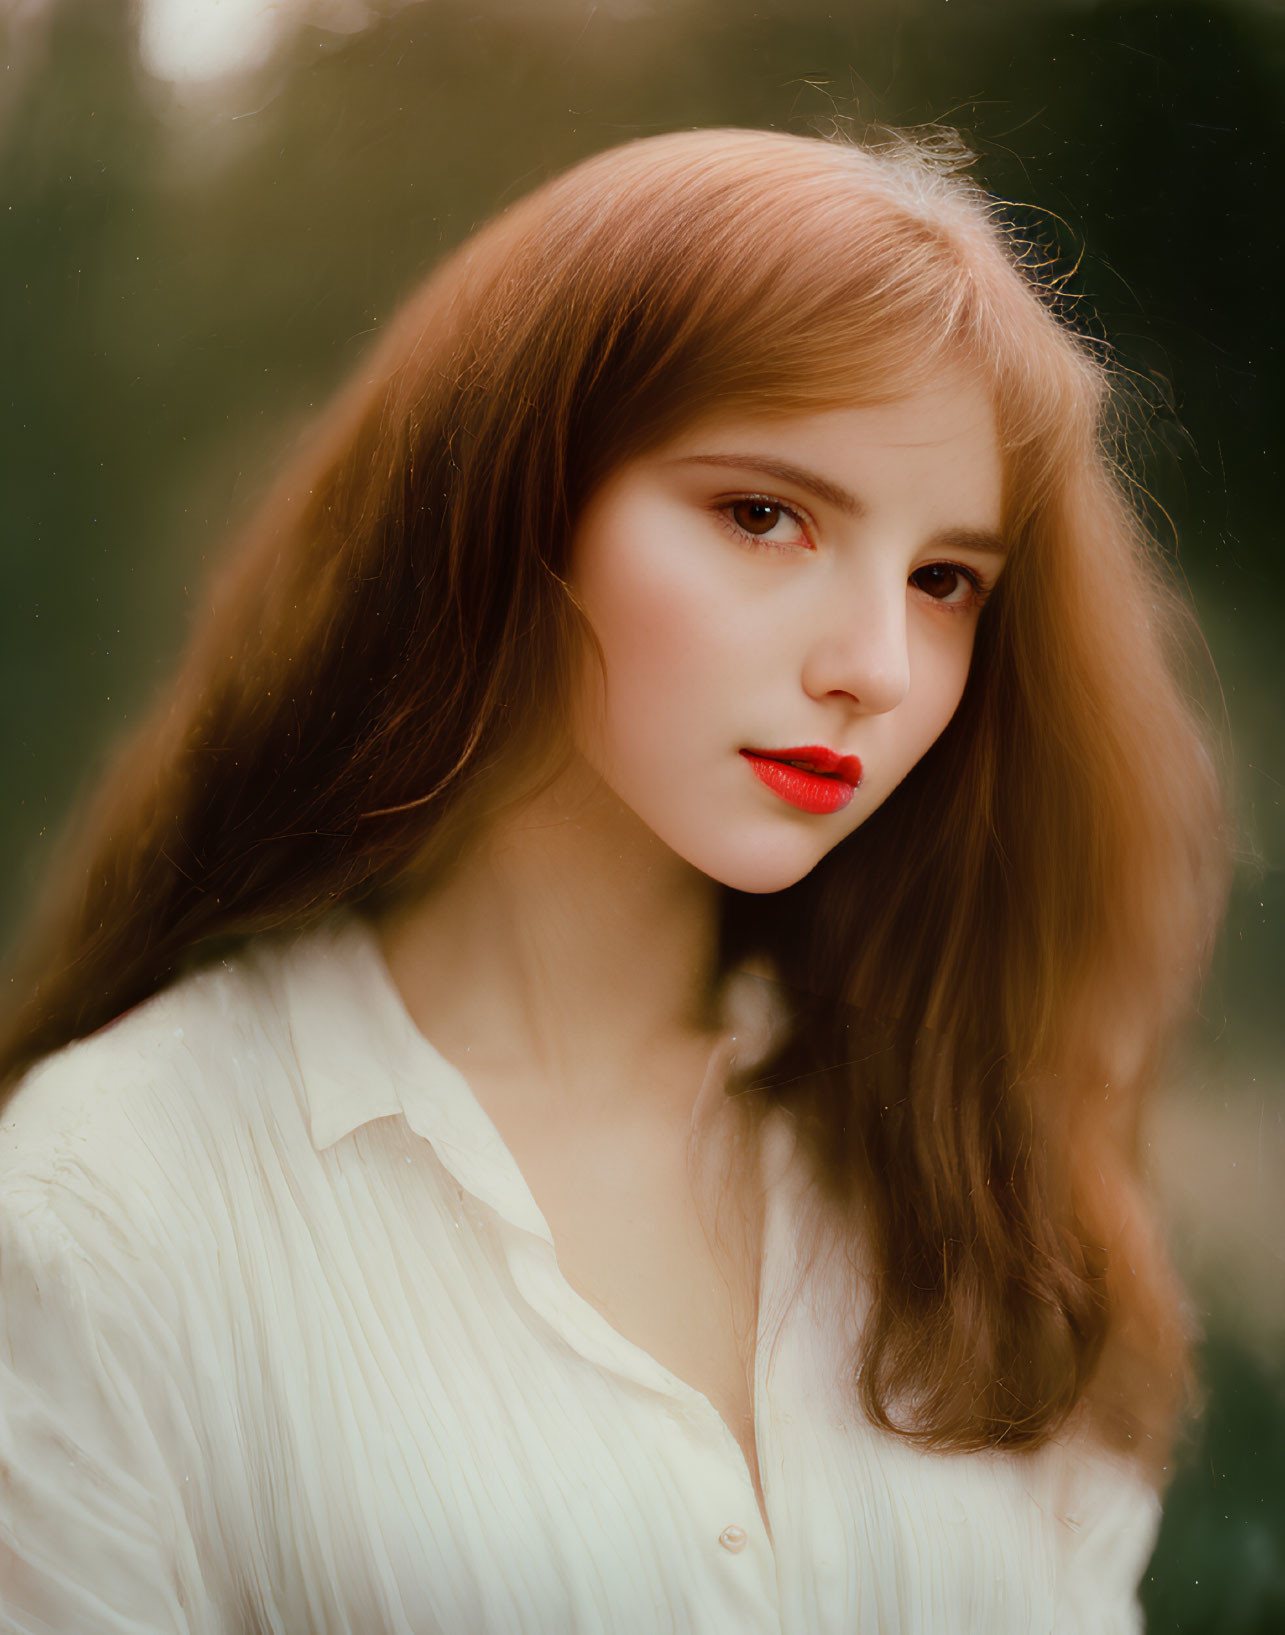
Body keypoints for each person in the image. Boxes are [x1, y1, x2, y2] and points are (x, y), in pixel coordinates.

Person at [0, 126, 1228, 1634]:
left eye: (943, 579)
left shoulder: (965, 1147)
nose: (876, 668)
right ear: (514, 502)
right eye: (765, 514)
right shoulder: (106, 1202)